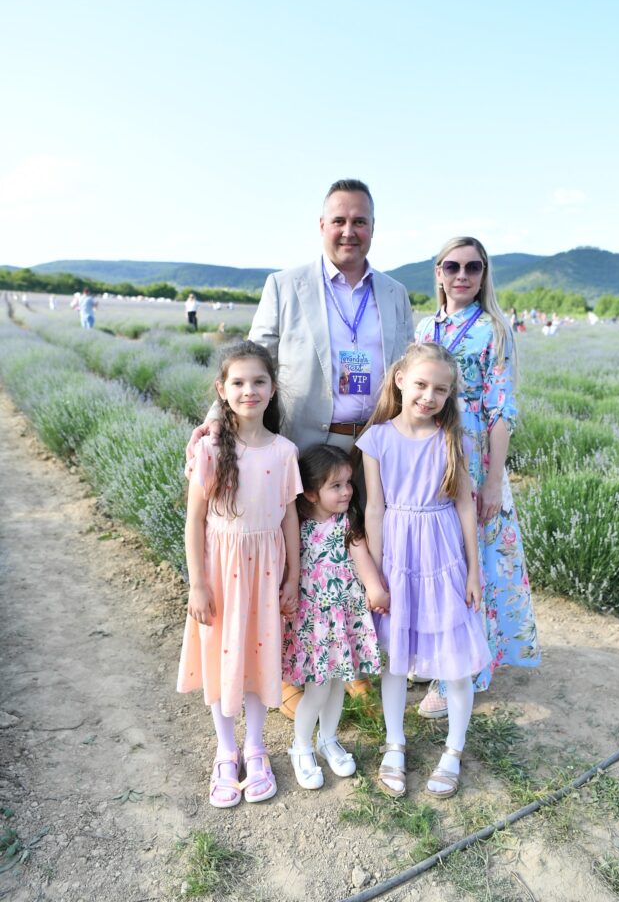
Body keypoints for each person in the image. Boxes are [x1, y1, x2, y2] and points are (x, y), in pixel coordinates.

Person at [188, 178, 414, 714]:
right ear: (321, 226)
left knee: (359, 546)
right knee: (301, 556)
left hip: (370, 446)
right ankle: (292, 670)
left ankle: (350, 661)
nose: (349, 231)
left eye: (360, 221)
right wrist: (214, 424)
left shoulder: (395, 293)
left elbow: (405, 368)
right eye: (339, 220)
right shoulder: (285, 285)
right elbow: (253, 359)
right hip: (307, 444)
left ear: (373, 228)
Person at [356, 342, 491, 798]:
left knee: (454, 656)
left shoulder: (452, 439)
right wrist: (376, 574)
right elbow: (375, 508)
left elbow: (465, 507)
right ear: (400, 380)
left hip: (442, 552)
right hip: (398, 553)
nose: (429, 396)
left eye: (440, 390)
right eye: (420, 384)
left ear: (450, 394)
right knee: (396, 657)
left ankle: (454, 749)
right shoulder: (377, 439)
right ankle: (395, 743)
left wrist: (473, 571)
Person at [414, 236, 540, 719]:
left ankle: (461, 672)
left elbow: (501, 410)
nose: (462, 275)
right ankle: (436, 653)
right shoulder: (426, 327)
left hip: (474, 459)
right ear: (439, 273)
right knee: (434, 554)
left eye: (473, 267)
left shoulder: (494, 330)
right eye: (452, 266)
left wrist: (492, 482)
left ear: (484, 274)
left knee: (471, 559)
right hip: (427, 454)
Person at [177, 341, 302, 807]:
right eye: (239, 382)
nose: (249, 390)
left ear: (273, 388)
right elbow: (194, 520)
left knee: (256, 655)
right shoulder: (210, 449)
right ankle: (226, 752)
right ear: (222, 390)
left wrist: (292, 577)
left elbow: (289, 518)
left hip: (266, 572)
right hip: (221, 571)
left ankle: (256, 747)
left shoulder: (284, 451)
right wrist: (198, 583)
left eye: (259, 381)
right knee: (222, 657)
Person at [282, 445, 389, 789]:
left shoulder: (347, 525)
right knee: (317, 689)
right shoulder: (298, 529)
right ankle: (301, 746)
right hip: (315, 625)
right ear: (312, 493)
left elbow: (362, 561)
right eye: (336, 486)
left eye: (348, 483)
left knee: (339, 686)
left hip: (343, 623)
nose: (346, 491)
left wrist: (376, 589)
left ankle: (328, 739)